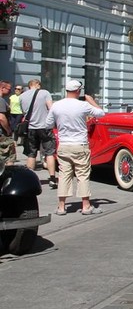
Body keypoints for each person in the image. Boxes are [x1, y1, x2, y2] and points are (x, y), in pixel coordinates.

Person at [46, 80, 106, 215]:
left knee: (64, 175)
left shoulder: (56, 105)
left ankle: (61, 207)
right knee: (83, 175)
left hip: (64, 145)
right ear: (78, 91)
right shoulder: (83, 105)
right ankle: (86, 206)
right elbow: (101, 114)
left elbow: (48, 124)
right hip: (80, 144)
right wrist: (91, 100)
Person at [19, 79, 57, 188]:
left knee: (31, 153)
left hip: (30, 128)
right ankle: (52, 179)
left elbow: (24, 113)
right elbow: (51, 108)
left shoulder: (22, 96)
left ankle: (29, 179)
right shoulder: (45, 93)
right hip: (45, 127)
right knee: (49, 153)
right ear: (37, 84)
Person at [0, 81, 16, 166]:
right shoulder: (1, 100)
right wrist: (8, 130)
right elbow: (1, 118)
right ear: (2, 88)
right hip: (3, 135)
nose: (11, 92)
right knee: (9, 158)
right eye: (9, 89)